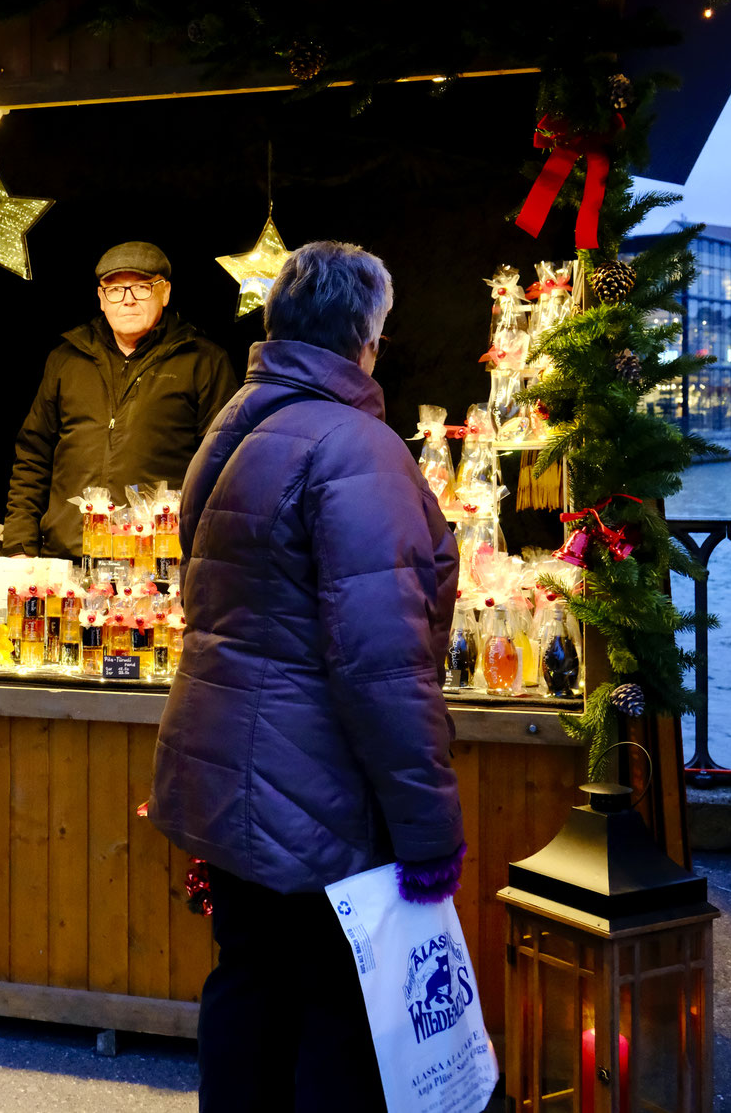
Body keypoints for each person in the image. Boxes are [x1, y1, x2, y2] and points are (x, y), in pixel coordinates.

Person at [149, 240, 465, 1112]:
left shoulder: (236, 423)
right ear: (365, 338)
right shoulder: (359, 449)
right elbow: (384, 667)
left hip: (230, 774)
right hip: (318, 788)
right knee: (335, 1012)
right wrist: (429, 828)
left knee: (251, 985)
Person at [2, 242, 236, 558]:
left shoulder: (204, 362)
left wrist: (208, 552)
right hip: (67, 560)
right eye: (115, 290)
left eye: (141, 288)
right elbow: (33, 456)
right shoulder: (66, 360)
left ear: (164, 293)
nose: (127, 300)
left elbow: (223, 467)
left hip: (159, 564)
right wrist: (19, 544)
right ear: (101, 298)